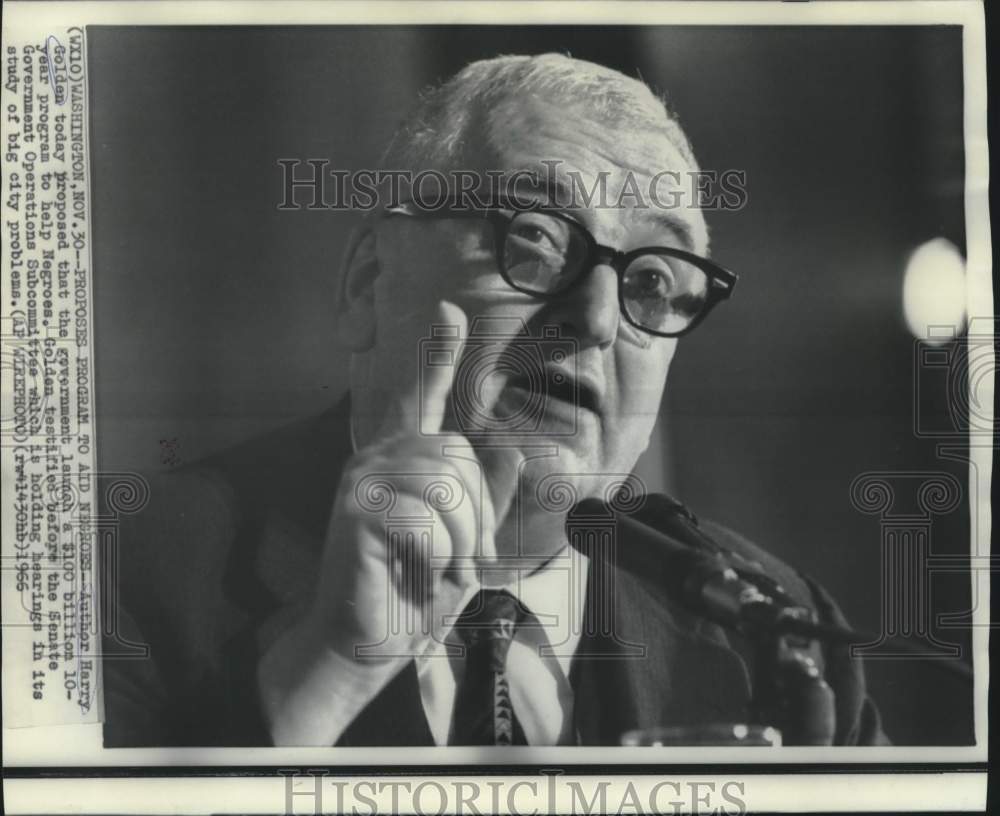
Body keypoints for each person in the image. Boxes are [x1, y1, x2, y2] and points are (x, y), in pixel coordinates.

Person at [102, 53, 885, 747]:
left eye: (652, 281)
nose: (598, 319)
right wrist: (327, 672)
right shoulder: (111, 570)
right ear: (369, 285)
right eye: (536, 239)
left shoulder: (772, 632)